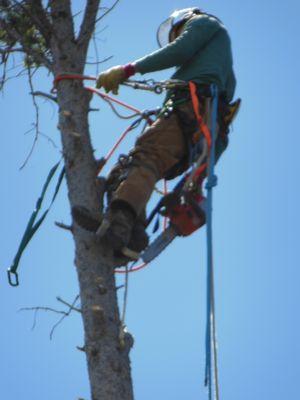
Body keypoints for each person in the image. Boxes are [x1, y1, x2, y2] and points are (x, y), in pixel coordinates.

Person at [72, 7, 237, 261]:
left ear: (183, 22)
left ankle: (119, 224)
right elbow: (220, 139)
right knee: (125, 171)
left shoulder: (204, 23)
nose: (176, 40)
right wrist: (196, 176)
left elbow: (179, 50)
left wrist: (128, 70)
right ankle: (133, 238)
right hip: (192, 134)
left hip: (188, 116)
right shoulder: (219, 76)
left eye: (176, 34)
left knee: (146, 158)